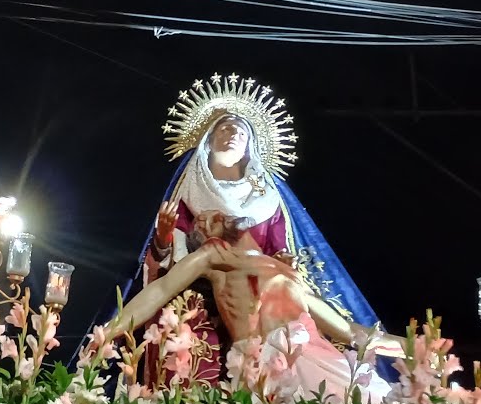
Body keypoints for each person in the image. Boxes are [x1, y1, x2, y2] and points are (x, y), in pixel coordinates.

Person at [127, 73, 397, 386]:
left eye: (241, 131)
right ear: (207, 141)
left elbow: (281, 251)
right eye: (224, 128)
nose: (232, 134)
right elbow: (167, 262)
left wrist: (284, 260)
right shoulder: (189, 190)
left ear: (250, 147)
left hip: (267, 293)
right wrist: (162, 238)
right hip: (202, 287)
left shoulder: (267, 197)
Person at [110, 224, 402, 404]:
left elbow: (351, 333)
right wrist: (109, 331)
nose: (202, 218)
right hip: (262, 362)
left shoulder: (290, 274)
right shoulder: (216, 258)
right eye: (200, 220)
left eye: (209, 215)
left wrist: (416, 348)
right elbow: (160, 290)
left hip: (318, 355)